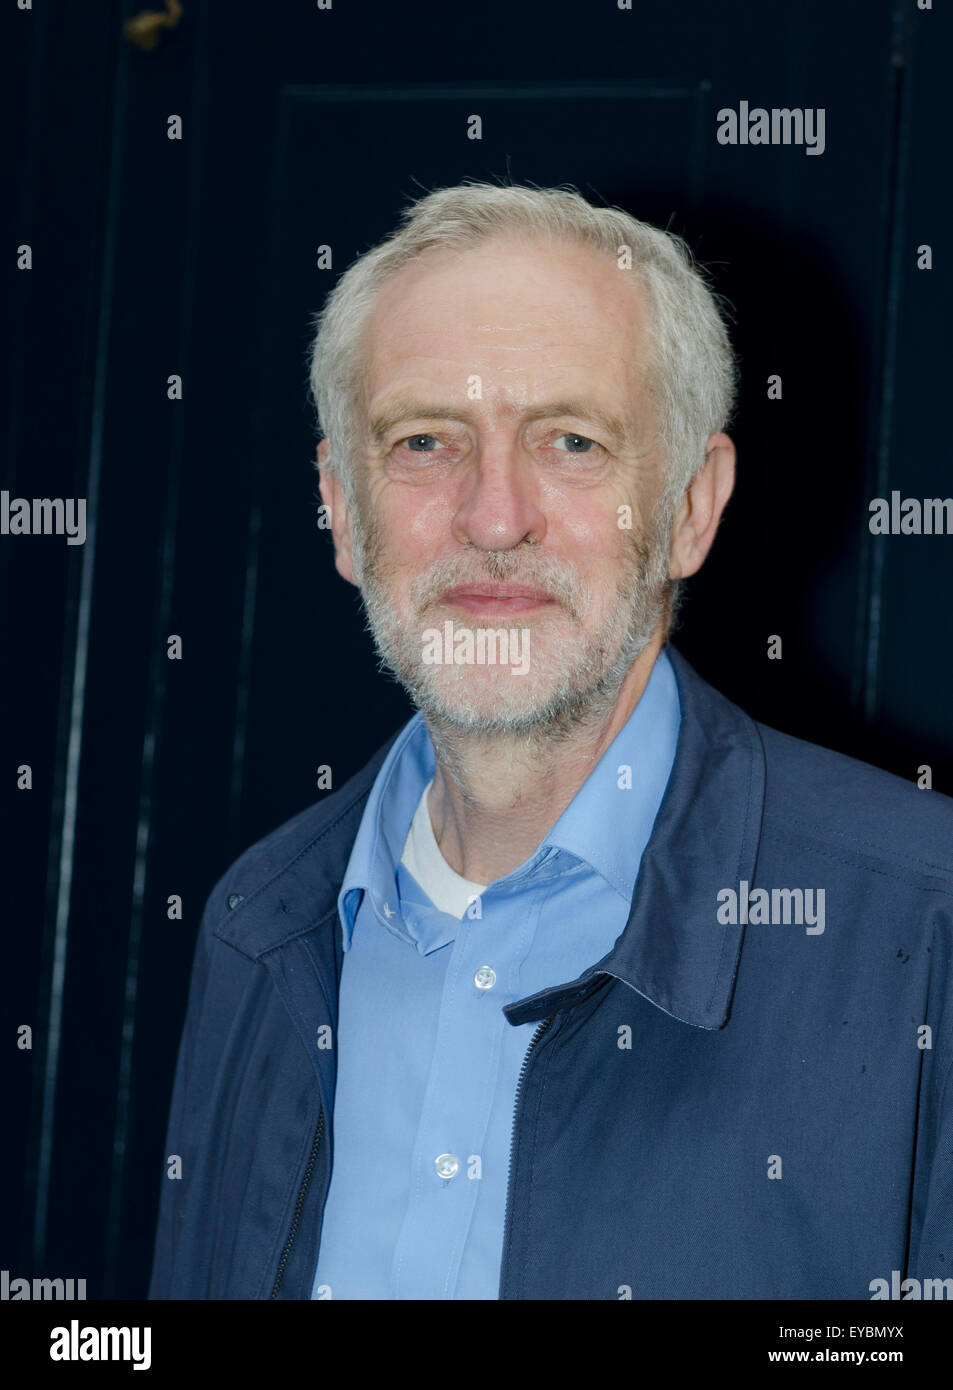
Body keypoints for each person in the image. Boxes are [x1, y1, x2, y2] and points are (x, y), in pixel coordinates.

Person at [148, 182, 953, 1301]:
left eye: (569, 442)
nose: (491, 516)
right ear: (339, 507)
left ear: (687, 506)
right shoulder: (257, 921)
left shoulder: (926, 926)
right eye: (424, 441)